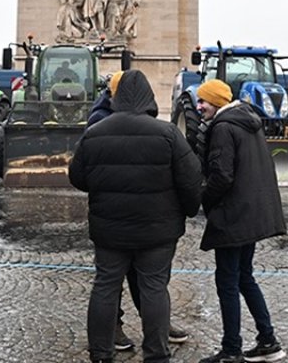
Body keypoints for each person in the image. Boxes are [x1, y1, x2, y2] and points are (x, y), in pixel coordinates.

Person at [69, 70, 203, 363]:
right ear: (148, 97)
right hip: (158, 231)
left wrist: (103, 187)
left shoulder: (95, 132)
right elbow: (192, 180)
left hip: (110, 230)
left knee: (105, 286)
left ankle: (101, 354)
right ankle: (156, 355)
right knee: (154, 288)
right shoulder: (167, 134)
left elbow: (77, 176)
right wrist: (188, 210)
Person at [195, 79, 287, 363]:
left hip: (234, 215)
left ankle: (231, 350)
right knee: (245, 277)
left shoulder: (223, 127)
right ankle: (268, 340)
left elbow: (221, 175)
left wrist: (204, 201)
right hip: (252, 212)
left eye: (203, 101)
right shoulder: (249, 121)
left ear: (218, 102)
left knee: (228, 282)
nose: (199, 107)